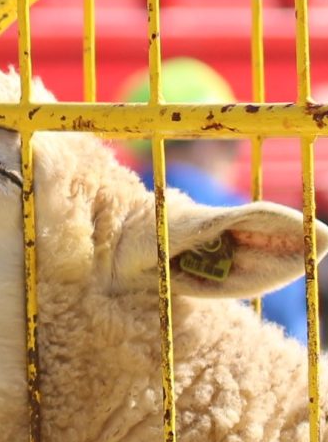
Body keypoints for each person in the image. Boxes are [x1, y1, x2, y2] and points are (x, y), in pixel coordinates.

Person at [124, 57, 312, 344]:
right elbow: (293, 333)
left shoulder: (115, 219)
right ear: (212, 140)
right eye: (231, 142)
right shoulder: (248, 219)